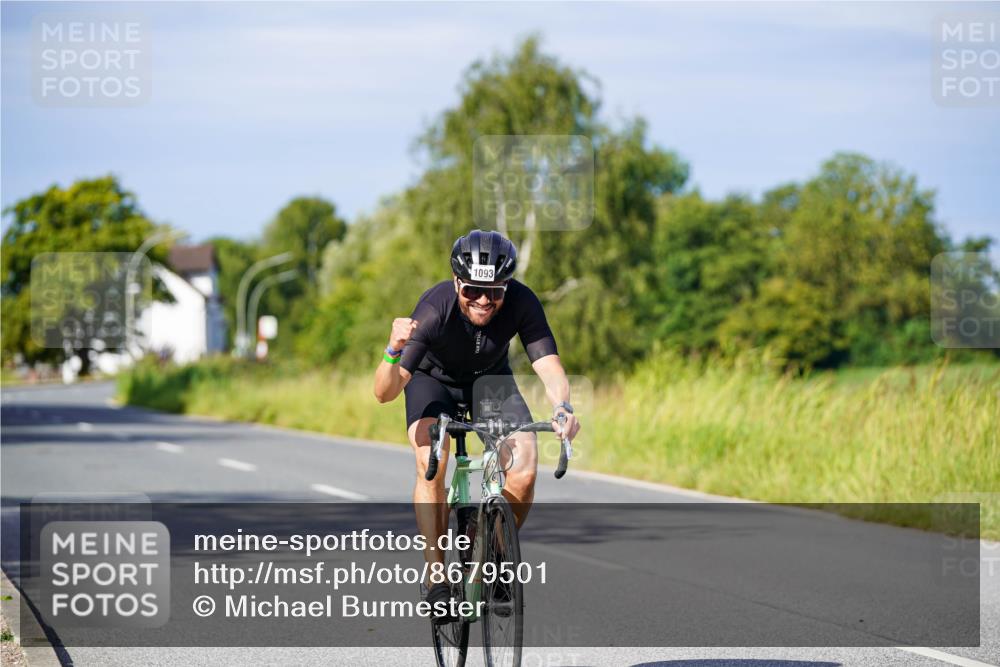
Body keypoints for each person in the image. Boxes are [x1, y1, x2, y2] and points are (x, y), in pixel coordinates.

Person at [373, 229, 581, 612]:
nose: (484, 301)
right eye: (471, 290)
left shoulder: (522, 301)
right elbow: (384, 393)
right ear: (457, 283)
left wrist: (562, 407)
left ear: (507, 286)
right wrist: (391, 351)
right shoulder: (434, 310)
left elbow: (548, 365)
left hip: (490, 382)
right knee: (430, 462)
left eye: (495, 292)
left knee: (525, 467)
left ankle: (492, 557)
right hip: (431, 383)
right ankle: (436, 574)